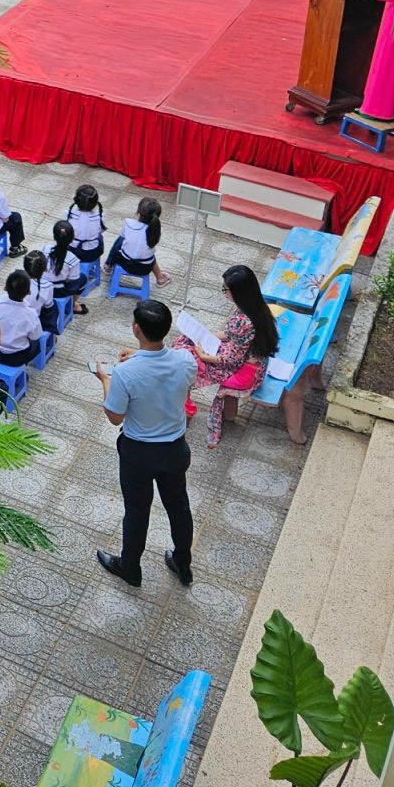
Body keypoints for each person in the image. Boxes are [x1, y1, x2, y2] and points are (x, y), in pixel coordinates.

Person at [94, 298, 197, 588]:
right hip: (175, 449)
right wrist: (139, 358)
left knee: (137, 511)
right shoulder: (185, 361)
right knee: (179, 507)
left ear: (136, 329)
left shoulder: (125, 373)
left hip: (138, 452)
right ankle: (183, 563)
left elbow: (115, 416)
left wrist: (106, 379)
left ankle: (131, 568)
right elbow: (165, 374)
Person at [176, 264, 282, 448]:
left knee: (188, 365)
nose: (224, 292)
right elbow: (233, 338)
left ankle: (183, 409)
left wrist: (204, 355)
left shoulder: (242, 321)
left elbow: (232, 360)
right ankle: (225, 415)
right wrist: (207, 336)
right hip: (256, 363)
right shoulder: (255, 307)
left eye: (226, 289)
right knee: (187, 343)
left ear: (239, 292)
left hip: (246, 372)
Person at [105, 196, 170, 285]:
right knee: (149, 255)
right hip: (145, 268)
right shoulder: (156, 230)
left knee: (119, 242)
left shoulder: (129, 224)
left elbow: (119, 244)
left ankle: (108, 265)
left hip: (125, 263)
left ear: (138, 212)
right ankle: (160, 278)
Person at [0, 272, 43, 366]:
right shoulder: (31, 314)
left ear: (5, 288)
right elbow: (34, 336)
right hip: (17, 357)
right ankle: (22, 372)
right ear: (28, 292)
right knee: (37, 343)